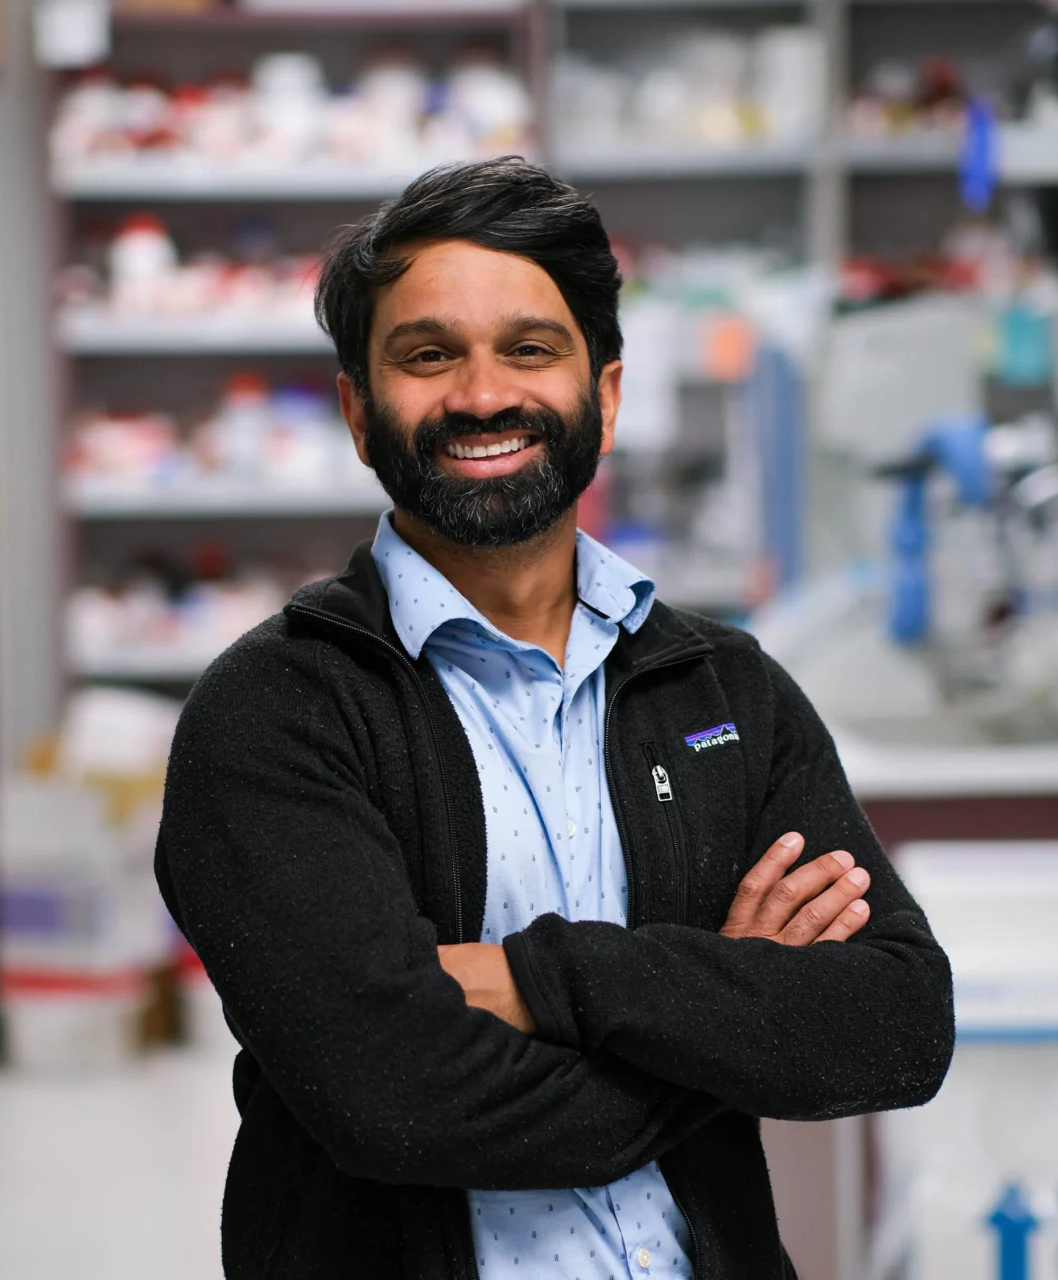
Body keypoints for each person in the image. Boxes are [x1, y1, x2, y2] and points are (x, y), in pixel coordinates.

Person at [155, 157, 954, 1280]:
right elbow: (396, 1096)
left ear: (607, 394)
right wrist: (723, 995)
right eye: (428, 355)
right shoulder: (278, 711)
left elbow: (899, 1023)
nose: (483, 394)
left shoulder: (720, 687)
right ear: (356, 409)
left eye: (529, 348)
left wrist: (534, 977)